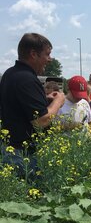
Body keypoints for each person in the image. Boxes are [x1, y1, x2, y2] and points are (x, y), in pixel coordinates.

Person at [0, 33, 65, 176]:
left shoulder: (10, 74)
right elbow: (41, 121)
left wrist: (45, 99)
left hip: (12, 150)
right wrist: (58, 102)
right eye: (47, 54)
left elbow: (20, 106)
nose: (49, 59)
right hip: (25, 156)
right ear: (33, 54)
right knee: (33, 195)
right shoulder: (26, 79)